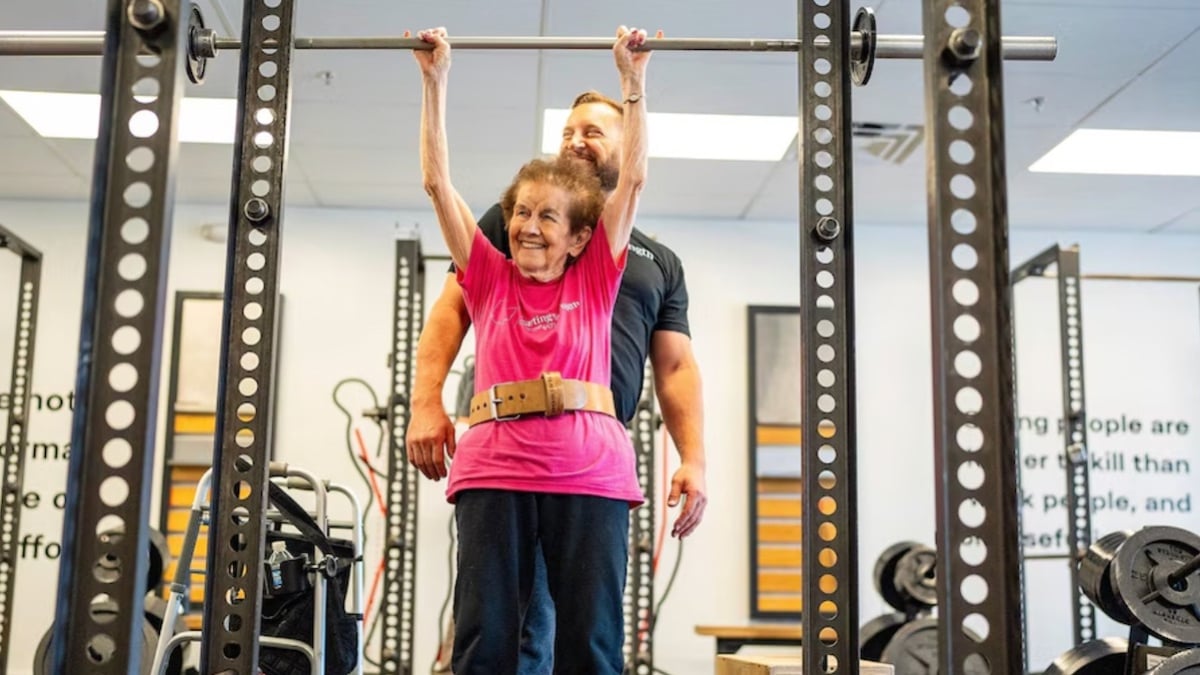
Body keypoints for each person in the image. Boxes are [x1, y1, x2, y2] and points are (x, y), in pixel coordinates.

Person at [407, 38, 709, 675]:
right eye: (521, 213)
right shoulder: (487, 272)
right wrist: (435, 83)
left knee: (591, 647)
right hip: (496, 467)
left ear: (579, 238)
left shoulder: (606, 269)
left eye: (547, 216)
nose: (528, 226)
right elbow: (437, 185)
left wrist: (634, 81)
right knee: (488, 643)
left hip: (589, 469)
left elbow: (636, 180)